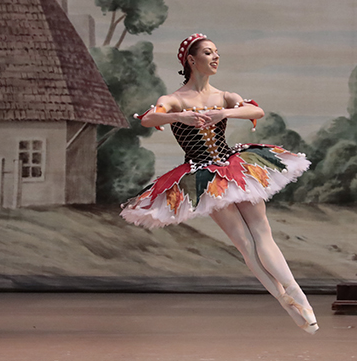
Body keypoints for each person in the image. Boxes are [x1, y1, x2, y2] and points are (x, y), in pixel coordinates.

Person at [121, 33, 318, 334]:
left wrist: (224, 112)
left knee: (263, 234)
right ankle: (283, 299)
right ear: (191, 60)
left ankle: (296, 294)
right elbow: (148, 118)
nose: (215, 58)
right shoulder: (173, 100)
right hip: (204, 176)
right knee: (244, 242)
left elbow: (256, 111)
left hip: (235, 166)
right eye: (208, 53)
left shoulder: (223, 95)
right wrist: (183, 116)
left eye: (217, 53)